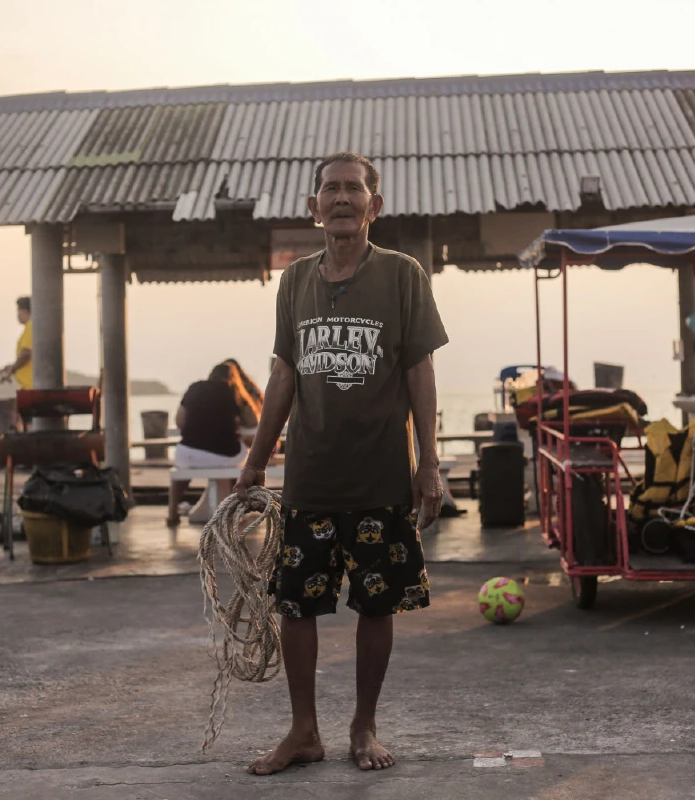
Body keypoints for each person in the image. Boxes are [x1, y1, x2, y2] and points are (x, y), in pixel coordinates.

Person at [234, 152, 448, 775]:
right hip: (310, 478)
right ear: (313, 207)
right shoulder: (295, 280)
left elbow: (420, 371)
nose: (343, 198)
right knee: (296, 605)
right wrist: (254, 462)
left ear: (375, 206)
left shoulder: (403, 275)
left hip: (381, 476)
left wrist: (428, 463)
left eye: (355, 189)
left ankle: (363, 726)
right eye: (331, 189)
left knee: (375, 604)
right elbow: (282, 375)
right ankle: (304, 732)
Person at [166, 363, 252, 526]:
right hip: (225, 456)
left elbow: (179, 421)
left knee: (183, 468)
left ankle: (172, 512)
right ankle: (235, 508)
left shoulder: (194, 388)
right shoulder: (232, 390)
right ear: (234, 378)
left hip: (188, 454)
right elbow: (252, 420)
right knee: (242, 460)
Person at [0, 296, 33, 390]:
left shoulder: (31, 327)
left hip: (30, 386)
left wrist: (12, 368)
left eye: (18, 311)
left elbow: (26, 353)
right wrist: (12, 367)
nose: (17, 315)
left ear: (25, 311)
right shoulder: (30, 327)